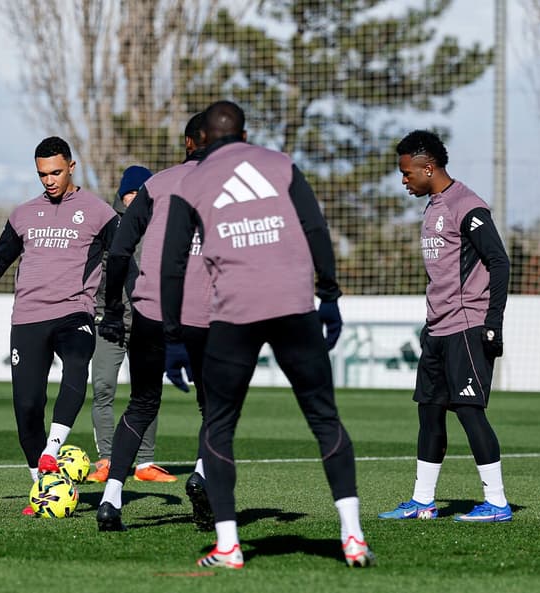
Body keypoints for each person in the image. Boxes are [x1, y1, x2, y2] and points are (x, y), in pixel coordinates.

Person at [160, 100, 373, 569]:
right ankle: (353, 536)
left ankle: (229, 546)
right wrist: (330, 295)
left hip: (235, 313)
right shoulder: (279, 164)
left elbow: (172, 262)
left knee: (218, 426)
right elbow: (315, 227)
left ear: (203, 139)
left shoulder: (190, 180)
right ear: (243, 131)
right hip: (294, 307)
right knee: (324, 418)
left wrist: (173, 336)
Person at [0, 136, 118, 512]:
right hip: (28, 318)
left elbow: (122, 255)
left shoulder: (97, 211)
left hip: (74, 312)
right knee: (27, 407)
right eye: (42, 174)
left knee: (78, 363)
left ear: (71, 167)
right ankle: (43, 484)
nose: (49, 180)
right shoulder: (23, 214)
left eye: (56, 172)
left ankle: (53, 449)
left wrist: (119, 306)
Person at [378, 130, 511, 523]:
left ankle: (498, 503)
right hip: (436, 329)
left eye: (407, 173)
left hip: (467, 326)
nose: (404, 180)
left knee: (469, 411)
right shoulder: (434, 205)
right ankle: (423, 501)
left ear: (428, 167)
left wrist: (493, 324)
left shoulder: (467, 206)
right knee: (429, 412)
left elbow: (499, 262)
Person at [95, 113, 214, 531]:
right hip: (207, 316)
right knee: (213, 407)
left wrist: (112, 308)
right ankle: (200, 475)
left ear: (186, 143)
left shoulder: (157, 184)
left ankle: (111, 500)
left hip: (148, 312)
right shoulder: (236, 188)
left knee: (142, 403)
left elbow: (122, 251)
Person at [88, 164, 178, 485]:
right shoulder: (108, 227)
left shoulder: (163, 229)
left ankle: (144, 463)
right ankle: (107, 459)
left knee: (146, 394)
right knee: (102, 389)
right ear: (120, 196)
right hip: (109, 323)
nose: (133, 199)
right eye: (128, 194)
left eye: (139, 193)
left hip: (146, 323)